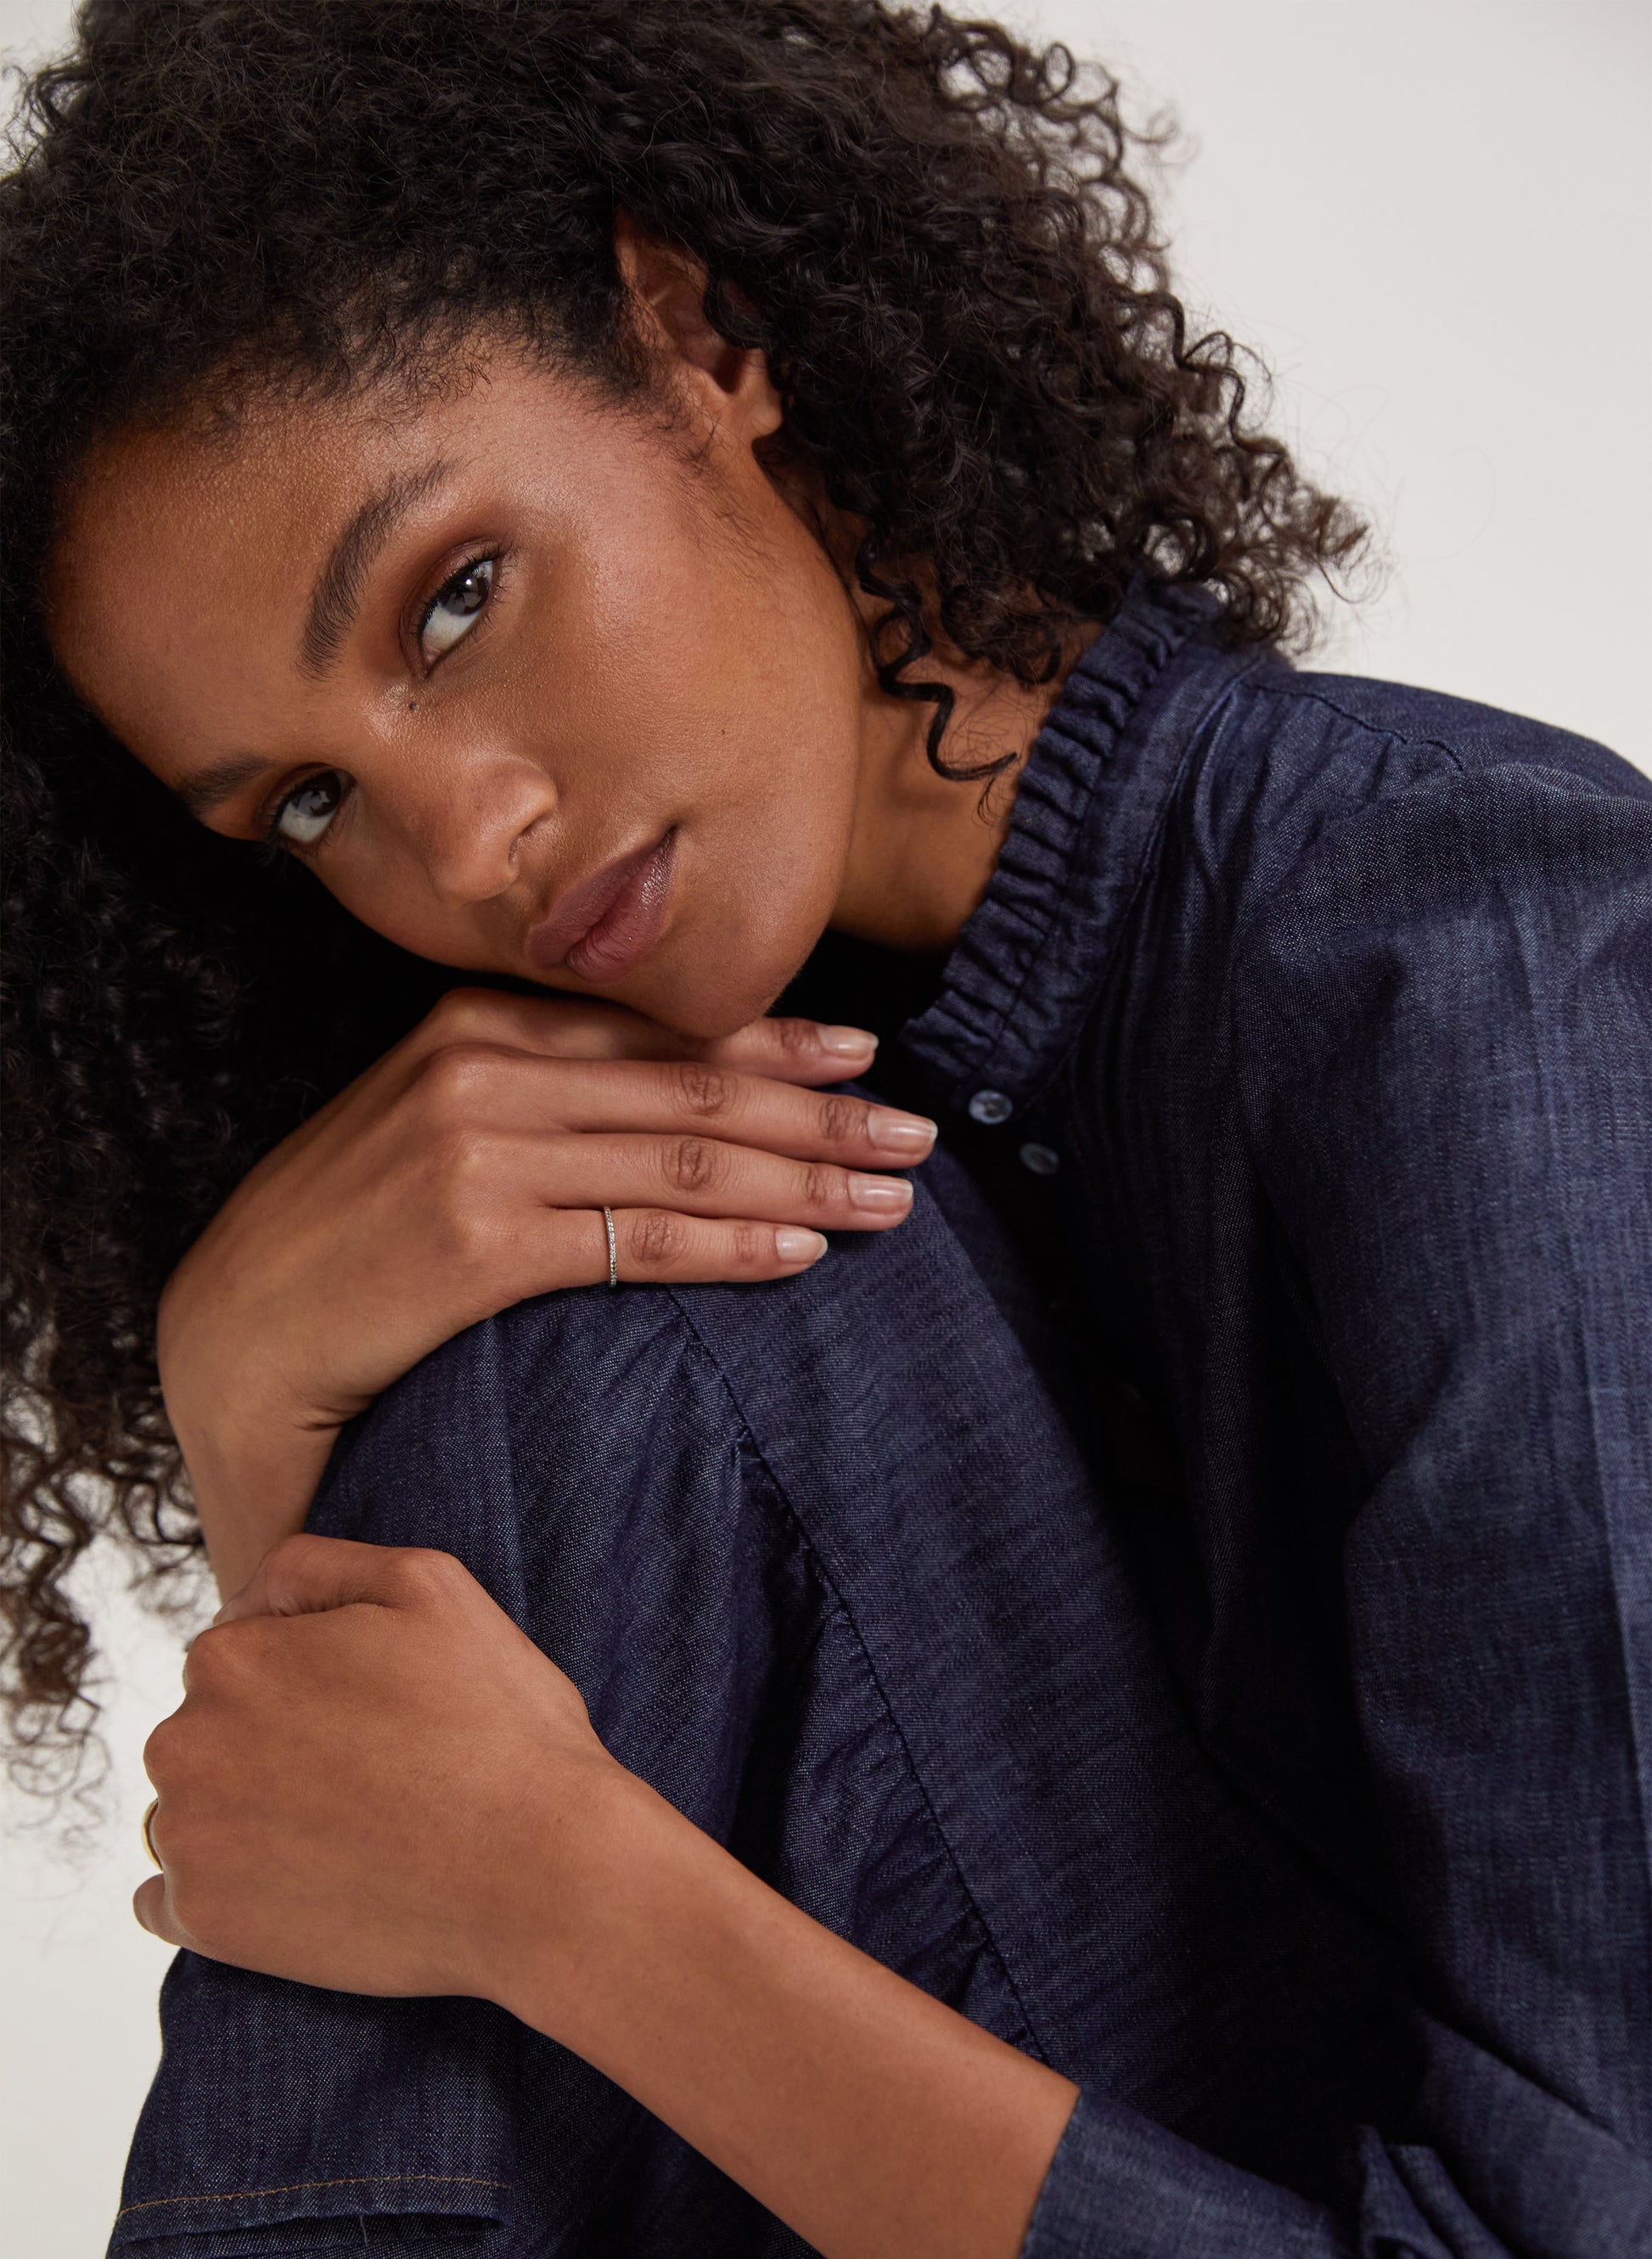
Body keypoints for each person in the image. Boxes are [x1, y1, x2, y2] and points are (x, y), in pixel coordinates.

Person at [3, 3, 1647, 2257]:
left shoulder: (1479, 955)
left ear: (697, 336)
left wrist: (575, 1900)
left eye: (457, 597)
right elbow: (376, 1840)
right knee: (597, 1250)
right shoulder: (669, 1140)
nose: (463, 844)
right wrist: (250, 1401)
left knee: (656, 1283)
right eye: (307, 804)